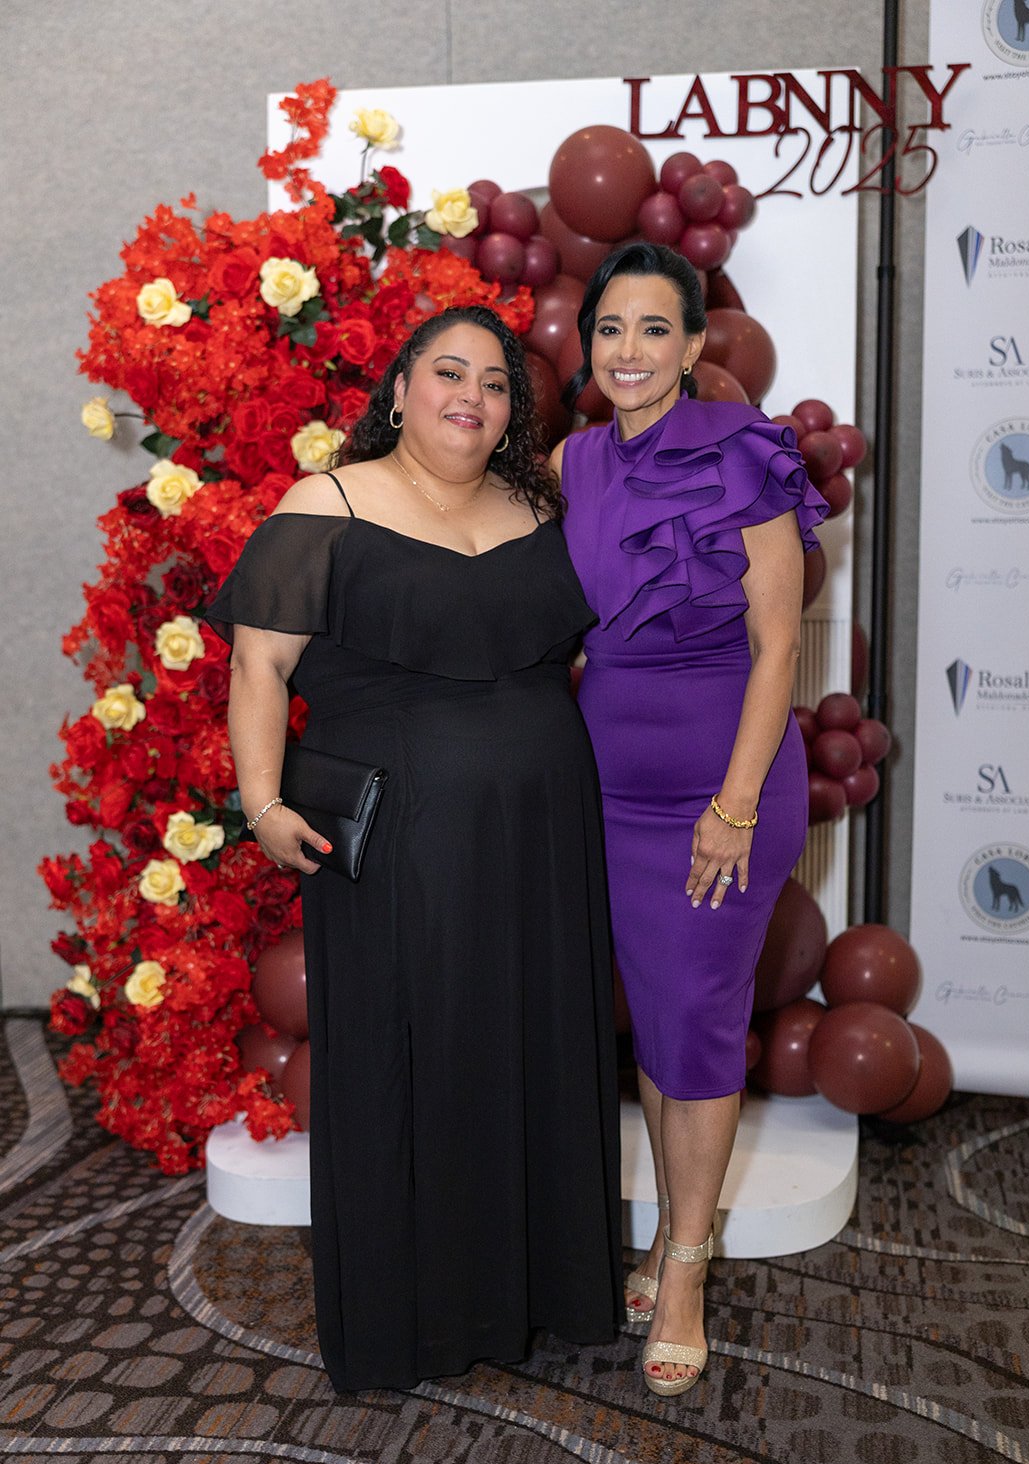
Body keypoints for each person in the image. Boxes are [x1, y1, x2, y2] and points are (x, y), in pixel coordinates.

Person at [207, 306, 621, 1393]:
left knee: (530, 1044)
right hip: (398, 840)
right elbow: (259, 669)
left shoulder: (538, 507)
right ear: (398, 389)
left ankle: (540, 1292)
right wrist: (259, 802)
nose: (470, 396)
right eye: (448, 373)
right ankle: (412, 1318)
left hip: (537, 836)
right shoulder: (326, 506)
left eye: (494, 383)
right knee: (413, 1056)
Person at [550, 243, 827, 1398]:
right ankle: (672, 1225)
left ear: (696, 342)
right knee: (659, 1017)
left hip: (727, 783)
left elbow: (779, 645)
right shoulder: (570, 461)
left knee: (700, 1020)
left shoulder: (743, 452)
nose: (628, 352)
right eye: (608, 329)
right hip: (606, 785)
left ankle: (686, 1271)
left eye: (653, 330)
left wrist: (731, 802)